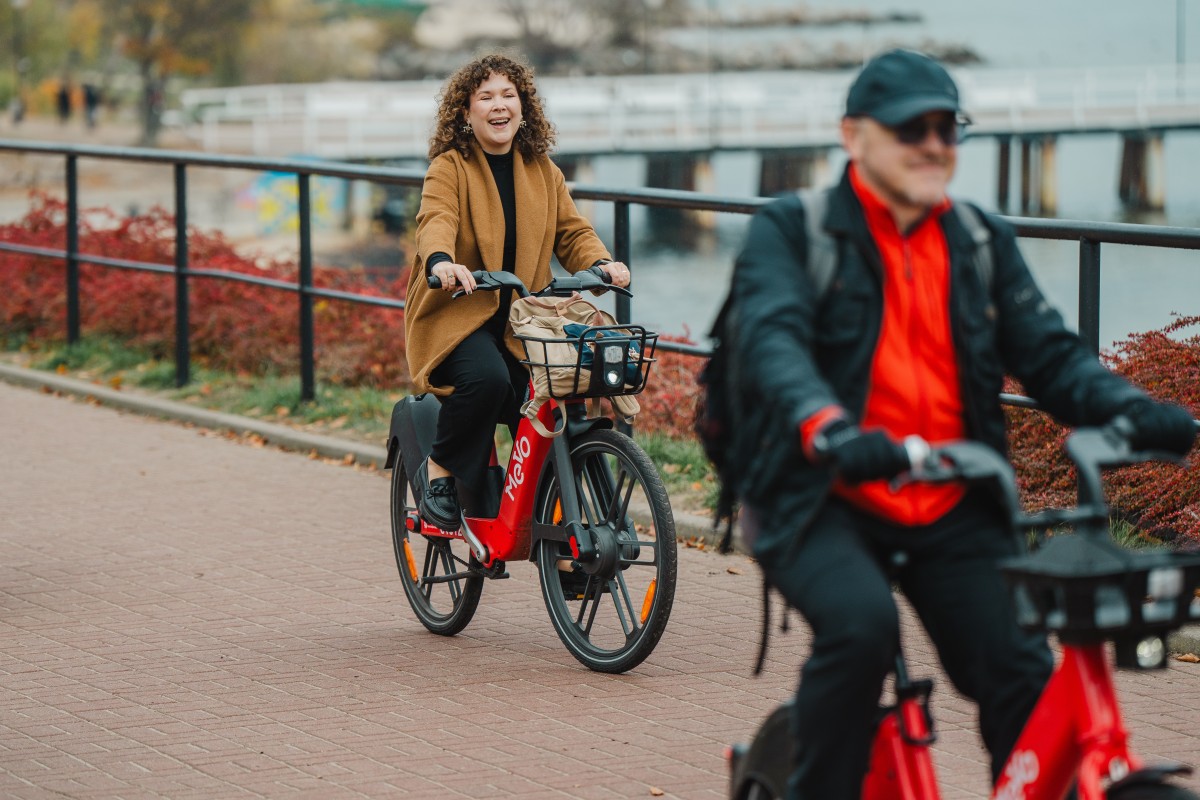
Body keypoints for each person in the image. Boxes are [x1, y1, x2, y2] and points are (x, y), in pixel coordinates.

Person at [725, 49, 1197, 798]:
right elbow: (774, 344)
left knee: (1018, 668)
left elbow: (1049, 356)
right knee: (859, 632)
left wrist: (1138, 411)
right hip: (818, 492)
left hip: (949, 496)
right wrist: (829, 429)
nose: (934, 144)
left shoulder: (977, 240)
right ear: (854, 136)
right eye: (913, 127)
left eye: (948, 128)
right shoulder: (794, 232)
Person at [403, 53, 630, 531]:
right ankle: (440, 472)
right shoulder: (450, 168)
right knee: (488, 380)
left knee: (559, 399)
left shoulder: (542, 170)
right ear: (466, 112)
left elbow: (572, 232)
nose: (499, 105)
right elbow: (435, 221)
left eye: (509, 95)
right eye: (485, 96)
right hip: (456, 315)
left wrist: (602, 264)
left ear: (524, 108)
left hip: (521, 322)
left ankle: (565, 541)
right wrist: (442, 263)